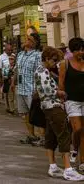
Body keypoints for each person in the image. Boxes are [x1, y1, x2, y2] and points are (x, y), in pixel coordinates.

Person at [35, 46, 84, 181]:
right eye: (53, 59)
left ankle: (53, 166)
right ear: (46, 58)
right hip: (53, 106)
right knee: (64, 135)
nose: (55, 62)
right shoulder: (42, 71)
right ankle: (68, 169)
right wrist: (60, 92)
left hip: (47, 107)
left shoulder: (43, 70)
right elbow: (47, 90)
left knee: (51, 135)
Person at [59, 37, 84, 172]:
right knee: (78, 129)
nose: (80, 53)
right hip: (72, 100)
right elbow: (61, 81)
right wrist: (62, 94)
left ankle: (82, 161)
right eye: (77, 50)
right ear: (72, 51)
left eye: (82, 50)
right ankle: (75, 149)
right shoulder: (65, 63)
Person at [16, 33, 42, 145]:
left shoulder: (37, 55)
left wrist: (38, 89)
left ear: (35, 43)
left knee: (37, 114)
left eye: (29, 39)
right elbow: (17, 70)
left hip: (31, 89)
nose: (26, 41)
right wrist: (13, 82)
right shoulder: (20, 54)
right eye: (26, 39)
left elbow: (39, 73)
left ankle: (42, 137)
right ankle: (32, 135)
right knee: (25, 114)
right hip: (21, 88)